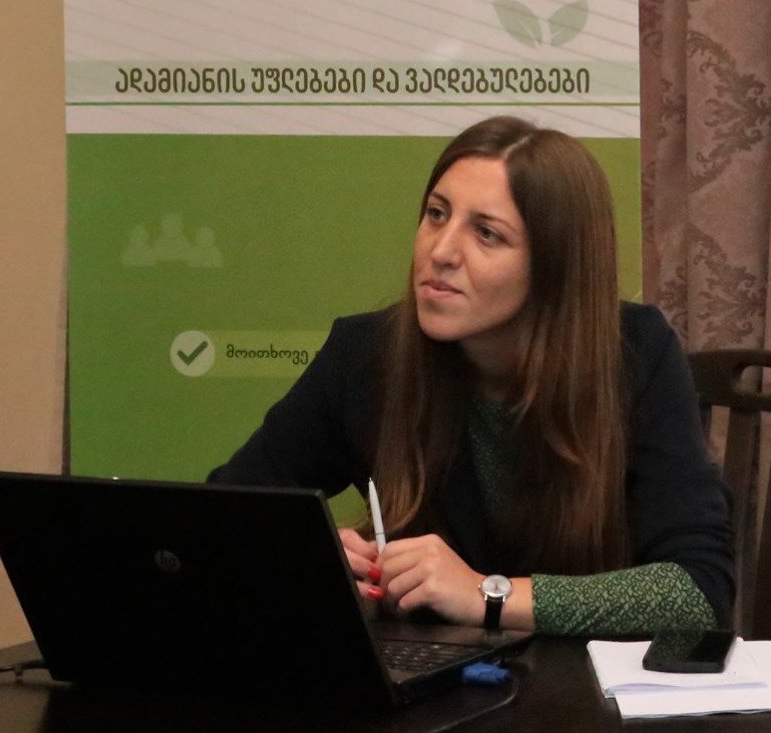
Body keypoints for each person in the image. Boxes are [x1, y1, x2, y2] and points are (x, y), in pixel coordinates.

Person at [210, 116, 733, 637]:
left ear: (555, 266)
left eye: (487, 234)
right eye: (436, 214)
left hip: (581, 678)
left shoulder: (635, 352)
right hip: (427, 676)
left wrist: (486, 593)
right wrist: (301, 550)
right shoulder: (365, 354)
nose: (440, 252)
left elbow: (698, 590)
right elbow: (217, 518)